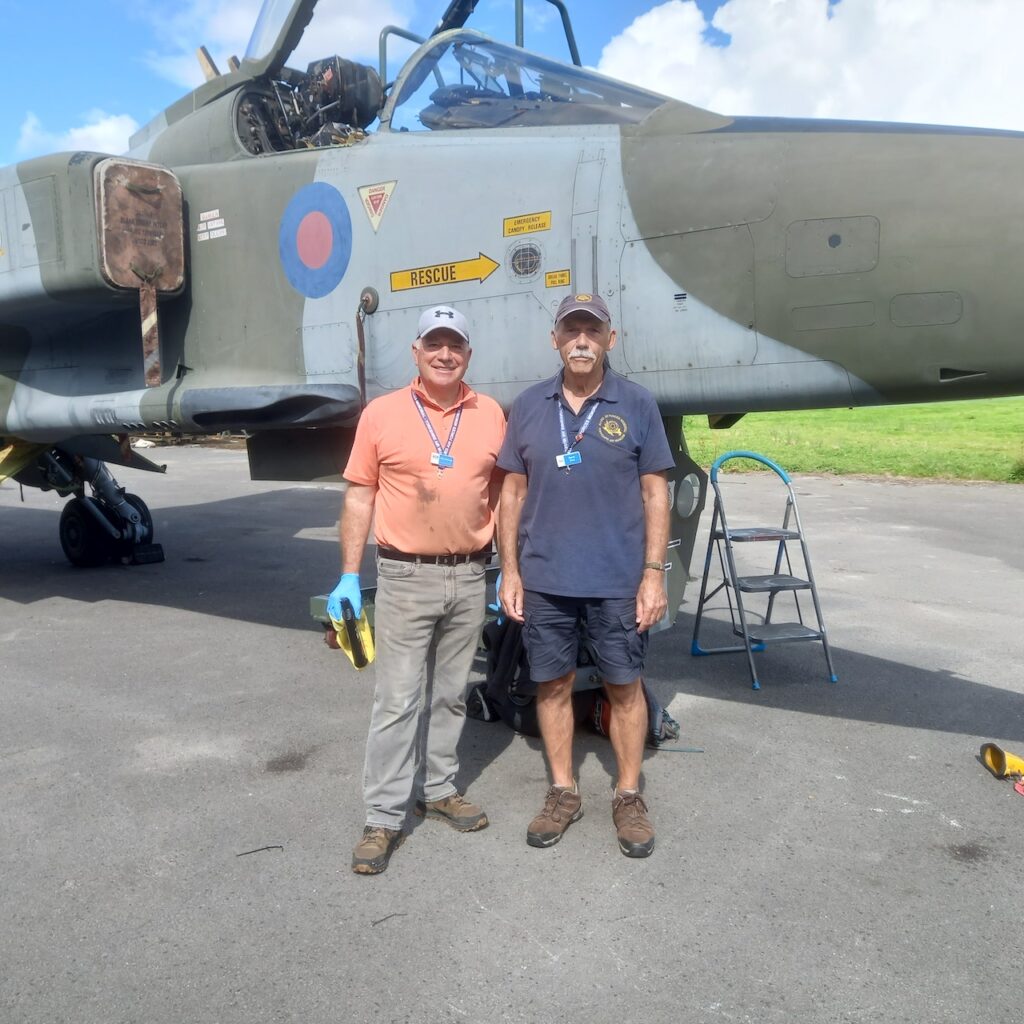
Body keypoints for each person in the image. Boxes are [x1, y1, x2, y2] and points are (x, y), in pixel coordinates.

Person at [327, 304, 505, 875]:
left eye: (455, 344)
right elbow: (359, 495)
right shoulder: (382, 414)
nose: (445, 354)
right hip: (405, 576)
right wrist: (349, 575)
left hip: (471, 573)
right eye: (435, 343)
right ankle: (382, 817)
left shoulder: (491, 414)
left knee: (452, 693)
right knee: (398, 700)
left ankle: (440, 788)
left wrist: (509, 569)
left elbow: (501, 494)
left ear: (468, 354)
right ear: (416, 351)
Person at [497, 293, 674, 858]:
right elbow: (512, 492)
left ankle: (627, 796)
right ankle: (562, 791)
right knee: (551, 686)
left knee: (625, 687)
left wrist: (653, 573)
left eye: (592, 332)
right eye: (571, 330)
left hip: (617, 579)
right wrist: (510, 572)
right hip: (546, 579)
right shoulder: (527, 406)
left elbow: (655, 492)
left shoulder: (638, 404)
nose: (581, 340)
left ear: (609, 340)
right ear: (555, 340)